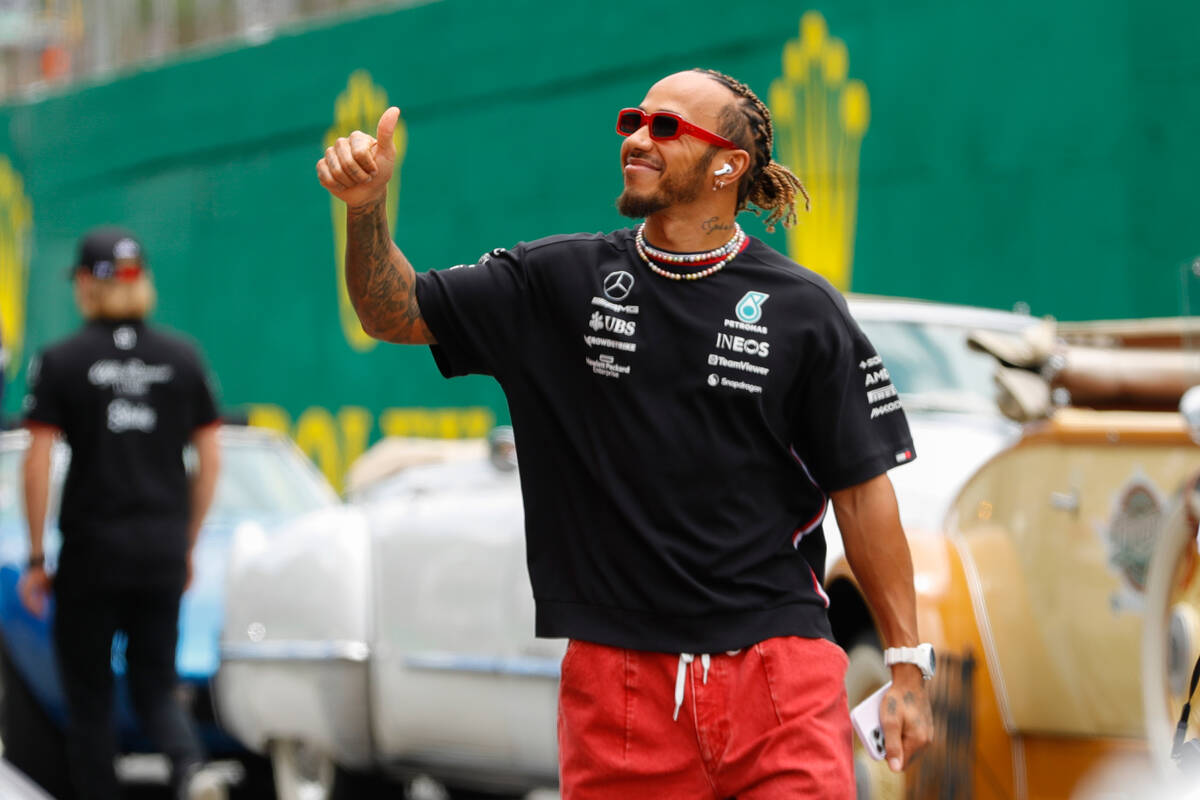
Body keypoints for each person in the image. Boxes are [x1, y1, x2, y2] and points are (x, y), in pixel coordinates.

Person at [317, 68, 934, 798]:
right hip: (620, 691)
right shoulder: (556, 282)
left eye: (667, 128)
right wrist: (366, 209)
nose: (638, 139)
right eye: (633, 121)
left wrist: (906, 664)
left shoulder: (805, 311)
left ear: (728, 166)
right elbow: (395, 313)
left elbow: (863, 494)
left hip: (779, 676)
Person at [19, 227, 225, 800]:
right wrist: (187, 541)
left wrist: (37, 557)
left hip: (91, 551)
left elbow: (36, 464)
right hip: (160, 547)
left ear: (87, 284)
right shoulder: (182, 358)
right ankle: (188, 768)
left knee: (88, 698)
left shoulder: (62, 360)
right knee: (155, 684)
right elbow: (210, 457)